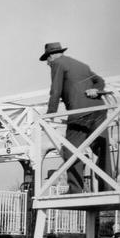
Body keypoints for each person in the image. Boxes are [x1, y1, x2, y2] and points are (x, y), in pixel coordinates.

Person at [40, 42, 111, 194]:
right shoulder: (82, 65)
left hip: (80, 113)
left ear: (51, 55)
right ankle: (108, 187)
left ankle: (75, 189)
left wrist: (51, 112)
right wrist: (97, 90)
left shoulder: (57, 63)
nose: (47, 63)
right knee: (102, 148)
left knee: (70, 151)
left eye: (47, 59)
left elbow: (56, 89)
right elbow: (101, 81)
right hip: (99, 110)